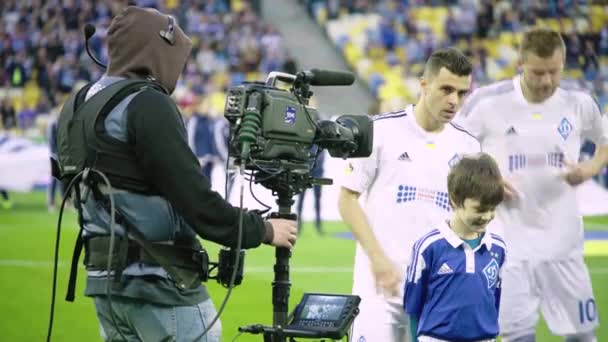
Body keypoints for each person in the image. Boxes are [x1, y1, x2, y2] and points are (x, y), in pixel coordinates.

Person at [56, 7, 297, 342]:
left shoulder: (78, 102)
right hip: (163, 286)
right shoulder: (147, 103)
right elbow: (195, 201)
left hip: (106, 285)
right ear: (157, 50)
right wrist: (266, 229)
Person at [457, 27, 607, 342]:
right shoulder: (487, 102)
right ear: (521, 63)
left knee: (582, 336)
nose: (547, 81)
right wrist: (488, 179)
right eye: (538, 72)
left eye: (554, 72)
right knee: (517, 336)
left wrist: (590, 167)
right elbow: (452, 149)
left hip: (564, 245)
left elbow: (603, 141)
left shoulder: (578, 103)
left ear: (564, 63)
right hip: (508, 247)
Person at [338, 47, 480, 342]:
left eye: (462, 93)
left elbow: (469, 222)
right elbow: (346, 200)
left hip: (436, 291)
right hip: (378, 287)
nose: (454, 100)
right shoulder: (379, 132)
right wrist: (378, 259)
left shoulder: (468, 148)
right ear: (424, 85)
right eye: (446, 89)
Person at [404, 153, 507, 342]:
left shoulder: (498, 248)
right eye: (480, 209)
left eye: (493, 208)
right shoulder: (428, 248)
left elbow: (494, 301)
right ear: (454, 200)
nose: (487, 216)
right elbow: (413, 307)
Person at [296, 149, 325, 235]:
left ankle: (318, 225)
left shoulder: (321, 145)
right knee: (301, 199)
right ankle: (299, 225)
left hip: (317, 173)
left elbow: (321, 159)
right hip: (306, 173)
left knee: (317, 200)